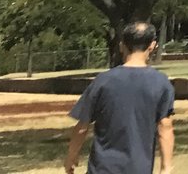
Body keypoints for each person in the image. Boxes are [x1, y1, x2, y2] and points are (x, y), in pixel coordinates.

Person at [65, 20, 174, 174]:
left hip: (102, 168)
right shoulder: (161, 82)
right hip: (139, 168)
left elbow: (82, 126)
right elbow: (165, 126)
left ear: (122, 45)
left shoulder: (103, 80)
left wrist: (71, 156)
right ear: (152, 45)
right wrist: (166, 167)